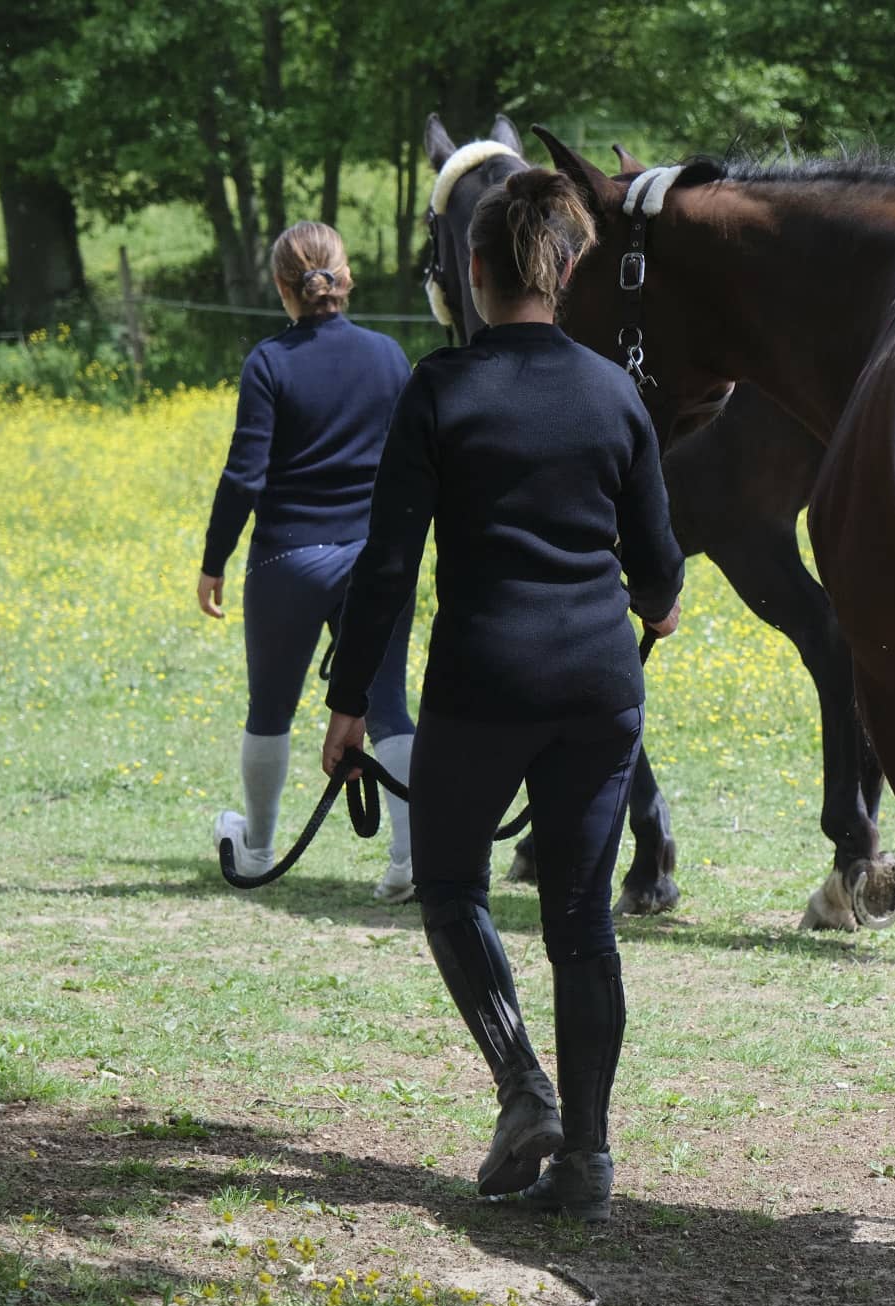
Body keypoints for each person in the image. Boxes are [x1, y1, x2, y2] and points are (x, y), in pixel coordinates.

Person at [321, 169, 685, 1220]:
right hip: (596, 686)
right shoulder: (616, 393)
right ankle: (590, 1165)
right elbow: (656, 565)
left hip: (481, 679)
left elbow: (387, 564)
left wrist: (349, 705)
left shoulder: (439, 390)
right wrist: (659, 605)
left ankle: (523, 1084)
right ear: (566, 272)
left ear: (472, 274)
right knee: (582, 922)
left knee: (449, 885)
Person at [200, 222, 419, 901]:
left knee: (270, 707)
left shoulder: (268, 362)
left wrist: (214, 559)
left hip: (287, 560)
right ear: (345, 279)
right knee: (387, 706)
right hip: (375, 561)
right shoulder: (390, 357)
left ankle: (261, 849)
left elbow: (244, 476)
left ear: (280, 288)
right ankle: (410, 862)